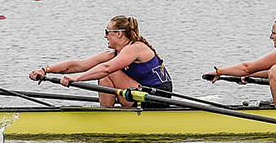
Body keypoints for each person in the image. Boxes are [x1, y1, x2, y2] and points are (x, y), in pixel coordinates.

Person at [32, 16, 172, 107]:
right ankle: (107, 112)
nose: (105, 36)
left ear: (119, 33)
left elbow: (106, 69)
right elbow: (79, 65)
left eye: (107, 31)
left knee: (108, 73)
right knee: (105, 76)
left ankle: (107, 117)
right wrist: (45, 70)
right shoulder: (114, 54)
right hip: (140, 94)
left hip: (158, 97)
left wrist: (77, 79)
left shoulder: (135, 48)